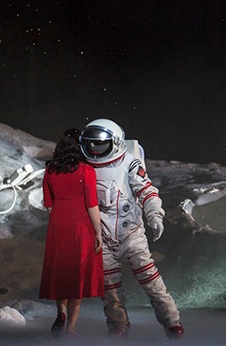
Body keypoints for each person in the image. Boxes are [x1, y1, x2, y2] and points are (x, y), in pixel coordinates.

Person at [79, 119, 184, 340]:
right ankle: (118, 326)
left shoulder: (129, 163)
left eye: (101, 145)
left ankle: (171, 321)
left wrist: (155, 215)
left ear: (116, 143)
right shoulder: (84, 166)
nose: (95, 151)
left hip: (131, 233)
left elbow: (147, 191)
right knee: (109, 288)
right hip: (102, 237)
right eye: (91, 145)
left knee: (150, 279)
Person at [39, 128, 104, 337]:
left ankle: (61, 313)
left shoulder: (50, 171)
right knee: (78, 275)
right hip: (81, 225)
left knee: (62, 273)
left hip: (58, 223)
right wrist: (98, 233)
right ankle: (72, 327)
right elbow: (92, 205)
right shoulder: (86, 170)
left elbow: (48, 204)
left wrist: (59, 220)